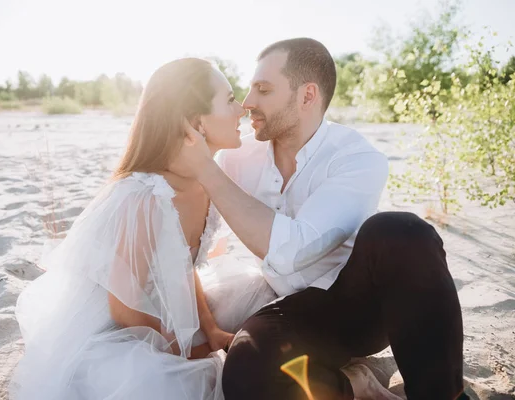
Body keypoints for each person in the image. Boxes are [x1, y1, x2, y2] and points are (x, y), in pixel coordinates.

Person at [176, 38, 468, 400]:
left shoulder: (357, 158)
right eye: (249, 90)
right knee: (245, 367)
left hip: (359, 307)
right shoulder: (236, 157)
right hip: (290, 307)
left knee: (401, 231)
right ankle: (353, 386)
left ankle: (444, 395)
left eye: (263, 90)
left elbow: (291, 250)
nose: (248, 102)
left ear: (307, 96)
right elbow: (189, 233)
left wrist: (205, 167)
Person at [9, 58, 277, 400]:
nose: (240, 109)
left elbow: (181, 266)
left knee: (257, 290)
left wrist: (210, 330)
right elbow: (125, 309)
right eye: (228, 100)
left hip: (161, 309)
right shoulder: (146, 194)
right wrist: (184, 352)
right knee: (162, 385)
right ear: (197, 123)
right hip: (116, 332)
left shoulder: (204, 183)